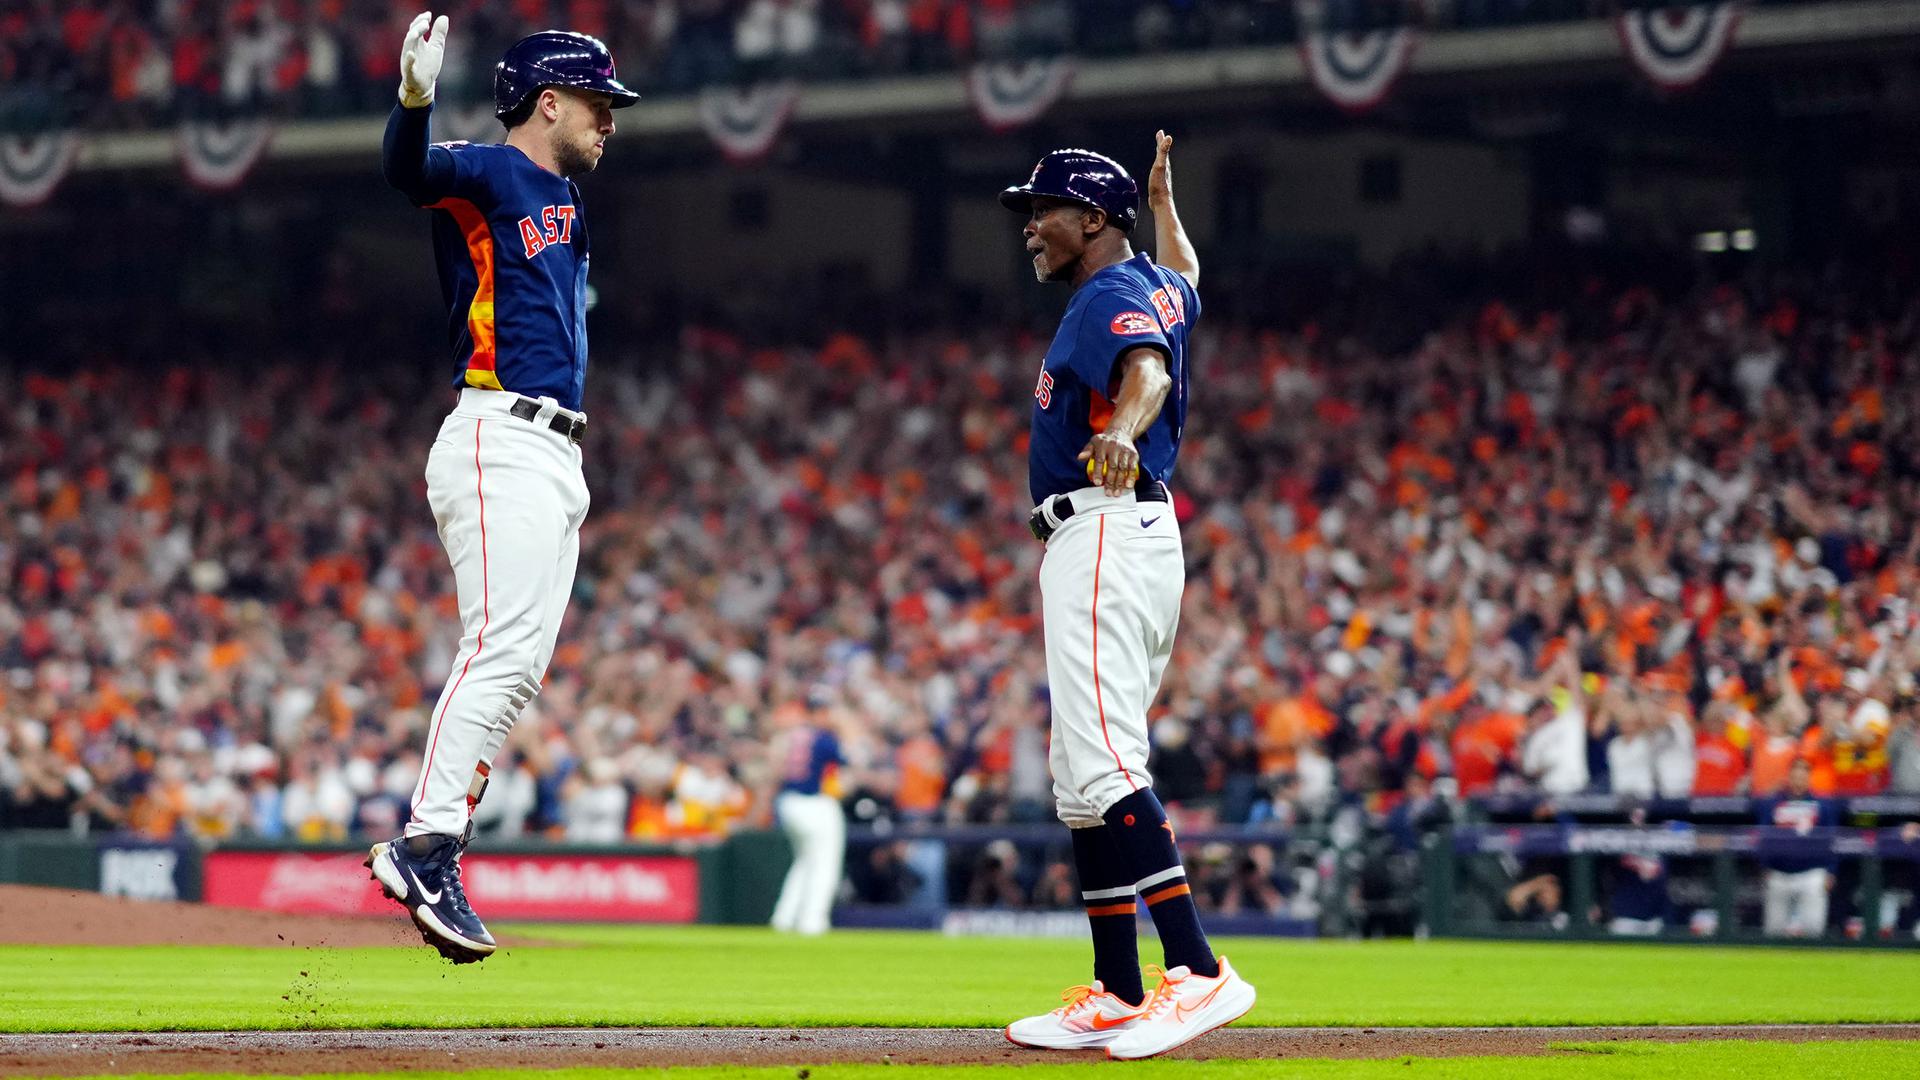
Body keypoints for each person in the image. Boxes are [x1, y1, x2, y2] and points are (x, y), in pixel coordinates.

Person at [363, 12, 637, 963]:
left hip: (555, 451)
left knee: (517, 664)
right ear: (549, 101)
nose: (611, 119)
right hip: (499, 431)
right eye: (599, 102)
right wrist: (413, 100)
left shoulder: (567, 195)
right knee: (498, 647)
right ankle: (428, 841)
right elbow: (409, 173)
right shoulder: (487, 169)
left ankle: (436, 840)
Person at [999, 134, 1255, 1061]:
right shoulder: (1149, 276)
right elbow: (1186, 274)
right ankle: (1116, 987)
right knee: (1080, 779)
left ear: (1092, 220)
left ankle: (1196, 968)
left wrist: (1128, 430)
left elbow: (1145, 370)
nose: (1031, 226)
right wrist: (1165, 208)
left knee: (1105, 762)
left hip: (1105, 522)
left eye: (1045, 211)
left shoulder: (1107, 295)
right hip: (1117, 536)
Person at [770, 701, 848, 935]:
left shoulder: (790, 736)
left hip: (788, 802)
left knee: (804, 862)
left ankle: (785, 917)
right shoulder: (823, 737)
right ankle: (813, 921)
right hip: (813, 802)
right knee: (825, 863)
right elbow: (846, 761)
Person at [1758, 758, 1838, 937]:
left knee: (1813, 929)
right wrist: (1764, 866)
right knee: (1774, 931)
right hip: (1779, 872)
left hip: (1812, 873)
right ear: (1789, 777)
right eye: (1795, 776)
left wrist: (1831, 871)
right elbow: (1764, 837)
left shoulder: (1822, 805)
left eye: (1802, 776)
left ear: (1809, 778)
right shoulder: (1773, 803)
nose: (1798, 781)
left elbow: (1831, 841)